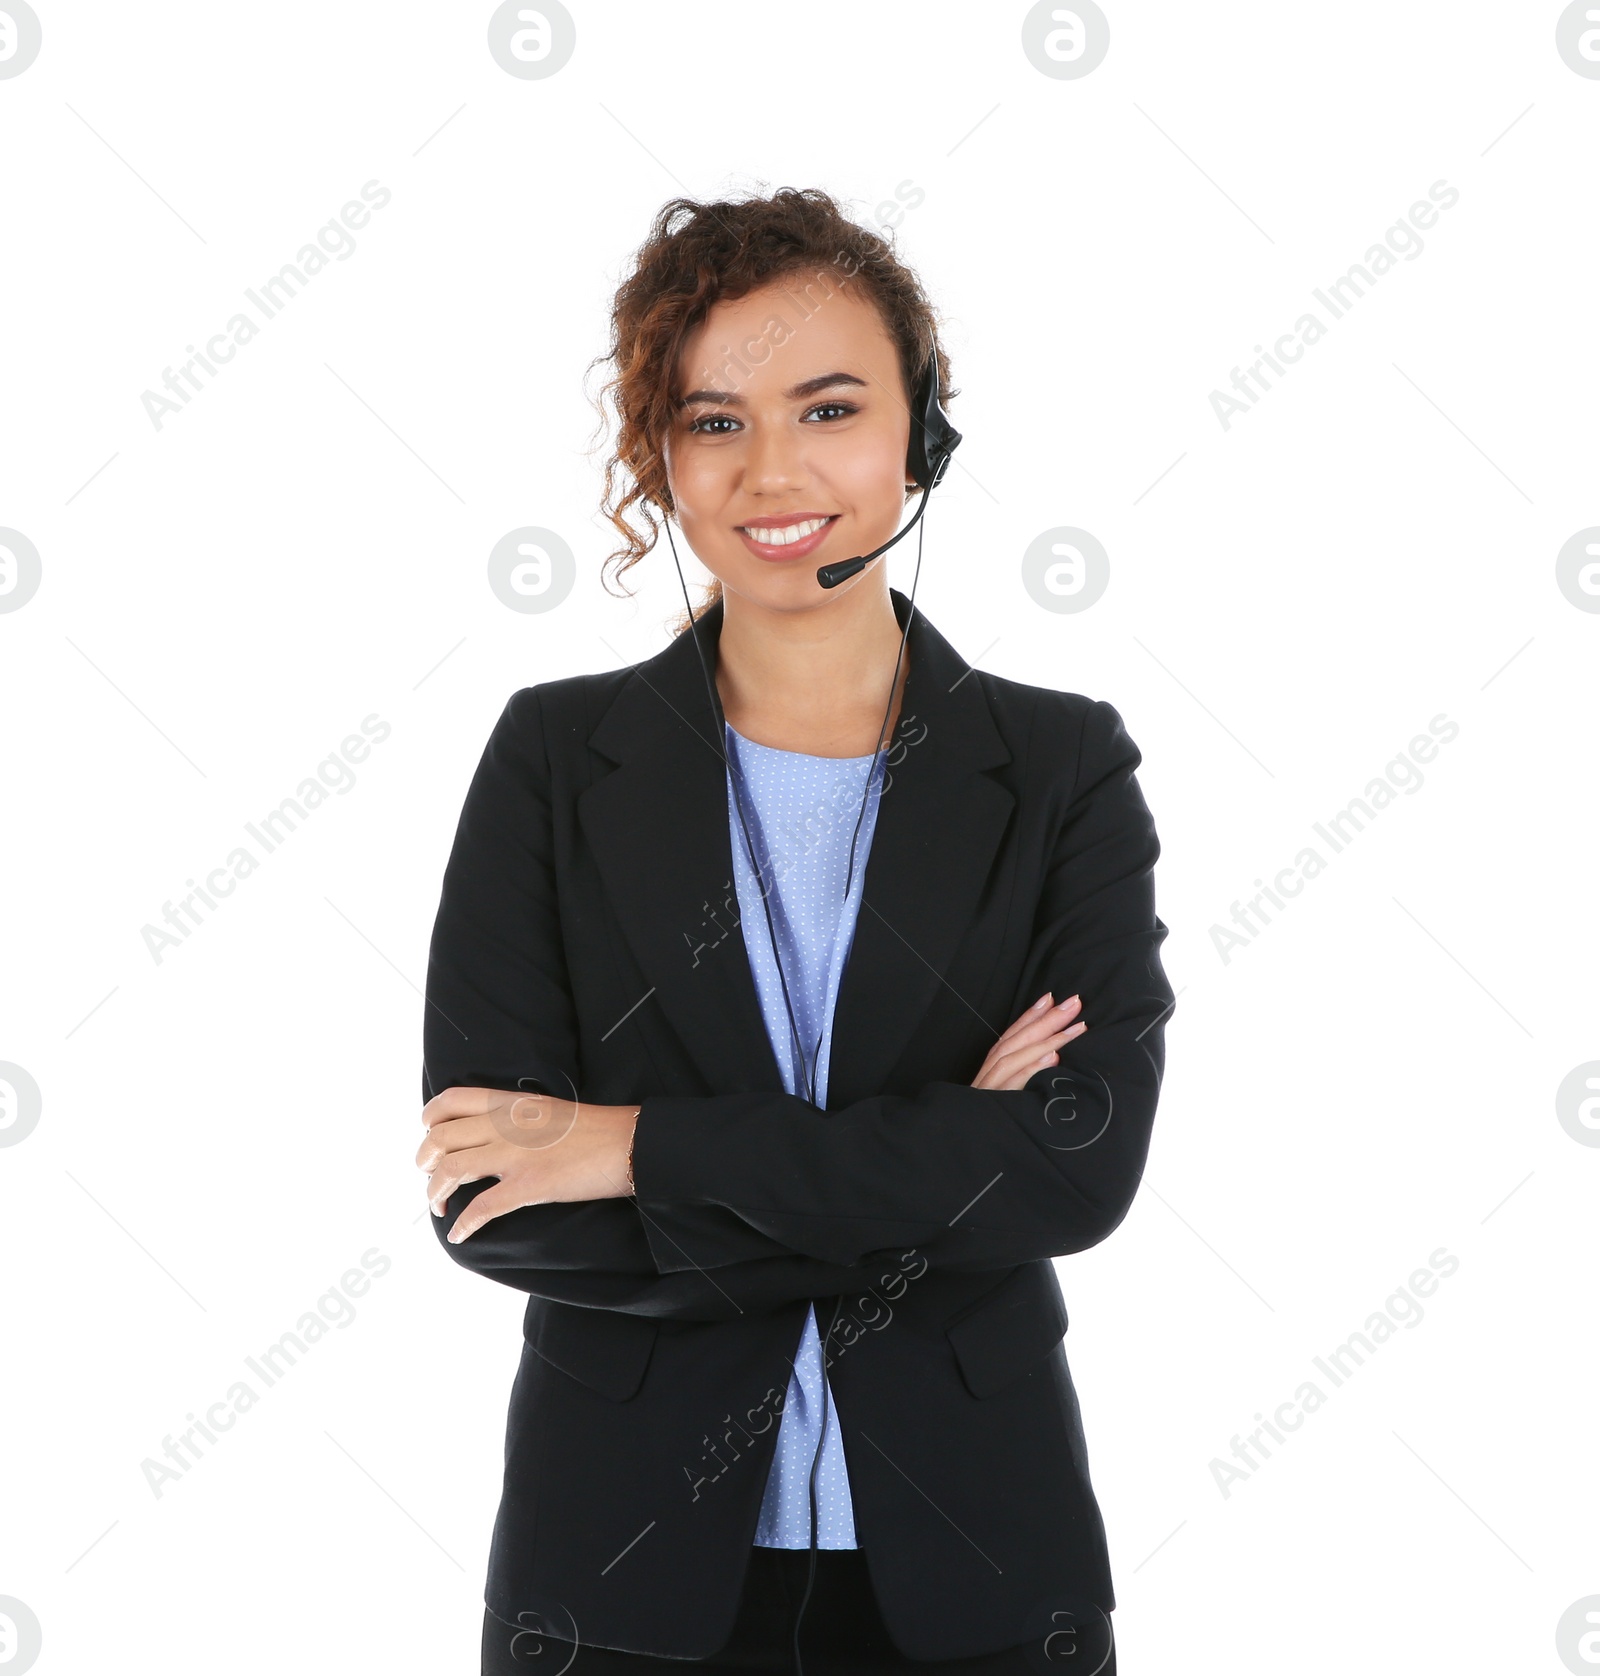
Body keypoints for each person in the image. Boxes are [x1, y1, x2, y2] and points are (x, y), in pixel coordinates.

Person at [417, 187, 1173, 1676]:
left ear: (922, 434)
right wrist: (944, 1157)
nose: (774, 469)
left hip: (976, 1570)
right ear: (661, 459)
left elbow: (1075, 1169)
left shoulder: (1064, 765)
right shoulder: (555, 761)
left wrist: (639, 1146)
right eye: (713, 421)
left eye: (829, 407)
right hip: (622, 1582)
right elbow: (499, 1198)